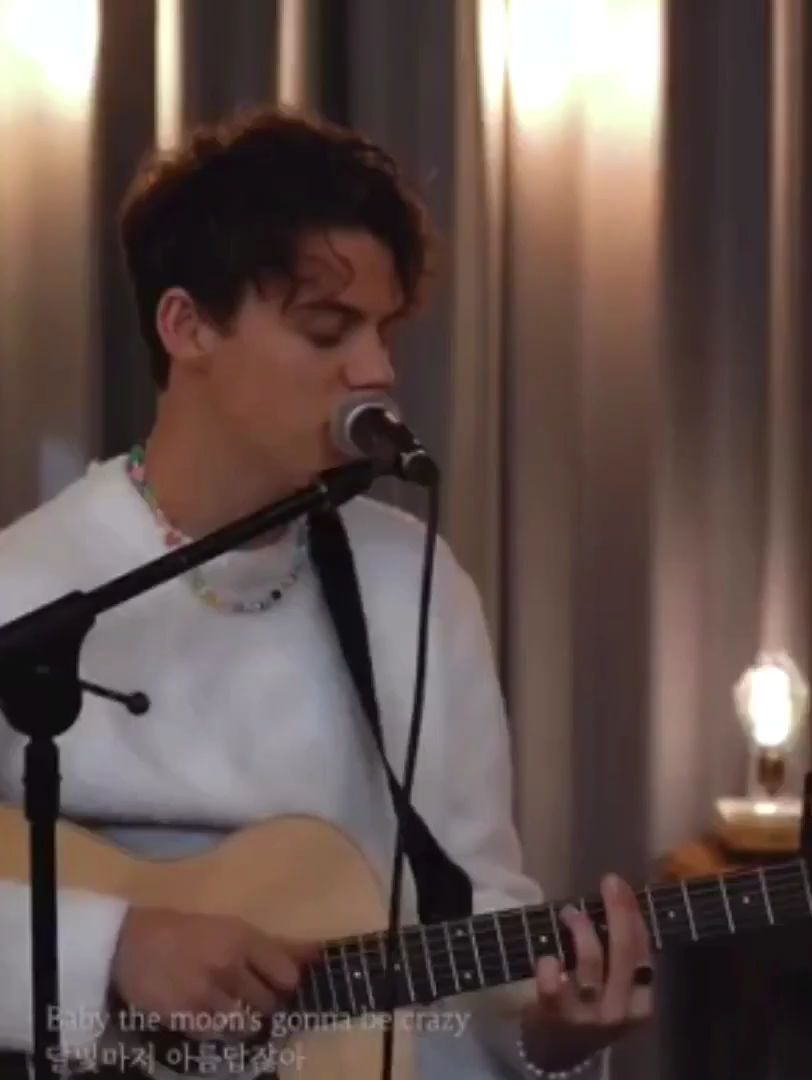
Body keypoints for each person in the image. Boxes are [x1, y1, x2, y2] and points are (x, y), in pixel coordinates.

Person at [0, 108, 650, 1077]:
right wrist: (114, 949)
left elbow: (473, 911)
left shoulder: (412, 581)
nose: (376, 370)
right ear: (187, 326)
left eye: (383, 331)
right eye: (327, 329)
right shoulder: (26, 585)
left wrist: (548, 1037)